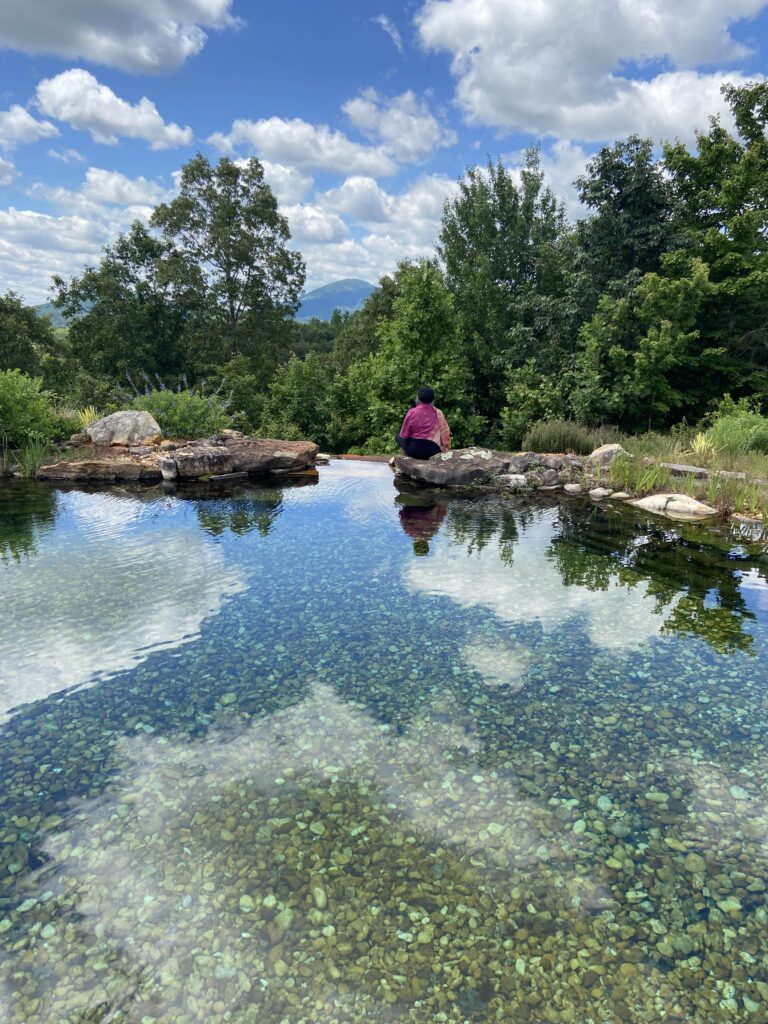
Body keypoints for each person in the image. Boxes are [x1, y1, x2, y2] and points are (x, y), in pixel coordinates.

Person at [395, 386, 452, 459]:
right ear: (433, 399)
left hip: (414, 451)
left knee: (398, 437)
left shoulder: (412, 412)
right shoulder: (438, 413)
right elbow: (444, 434)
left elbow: (404, 434)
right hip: (433, 450)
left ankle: (405, 459)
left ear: (418, 398)